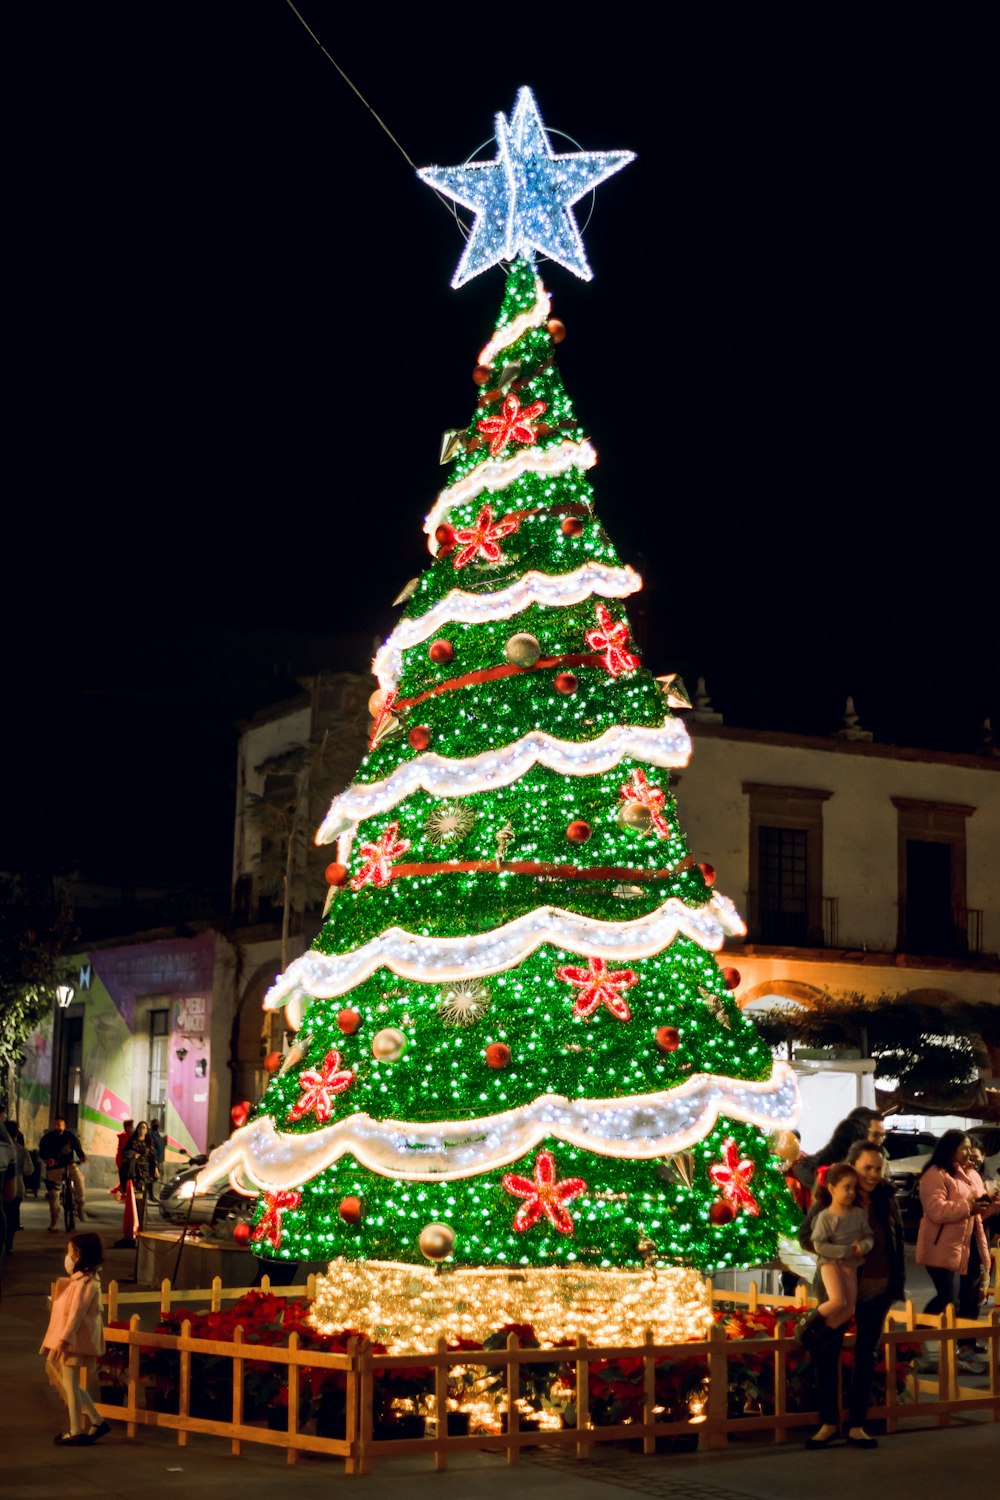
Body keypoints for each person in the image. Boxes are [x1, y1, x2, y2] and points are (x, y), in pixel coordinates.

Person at [802, 1142, 906, 1451]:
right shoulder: (832, 1196)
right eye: (867, 1168)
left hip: (877, 1287)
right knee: (827, 1352)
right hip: (841, 1284)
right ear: (853, 1166)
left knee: (866, 1355)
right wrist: (842, 1253)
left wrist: (894, 1281)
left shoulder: (886, 1197)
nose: (873, 1175)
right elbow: (808, 1237)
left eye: (879, 1168)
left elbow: (895, 1239)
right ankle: (829, 1423)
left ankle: (857, 1425)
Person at [917, 1130, 1000, 1361]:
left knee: (971, 1297)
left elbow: (978, 1212)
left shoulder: (971, 1174)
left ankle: (966, 1345)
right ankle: (915, 1340)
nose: (969, 1152)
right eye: (963, 1147)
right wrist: (969, 1207)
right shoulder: (934, 1174)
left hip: (971, 1242)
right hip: (942, 1245)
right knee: (948, 1296)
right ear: (949, 1149)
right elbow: (936, 1210)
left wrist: (991, 1203)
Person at [39, 1230, 111, 1445]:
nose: (68, 1257)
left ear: (79, 1255)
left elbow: (76, 1315)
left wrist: (64, 1340)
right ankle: (96, 1421)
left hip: (74, 1342)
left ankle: (76, 1430)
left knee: (70, 1387)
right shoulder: (83, 1281)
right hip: (74, 1340)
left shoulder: (86, 1284)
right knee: (72, 1385)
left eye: (70, 1252)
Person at [799, 1164, 873, 1349]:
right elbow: (819, 1245)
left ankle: (823, 1333)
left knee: (849, 1309)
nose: (851, 1192)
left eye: (854, 1188)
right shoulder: (825, 1217)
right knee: (837, 1300)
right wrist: (848, 1250)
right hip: (830, 1263)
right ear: (832, 1188)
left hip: (851, 1264)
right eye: (846, 1187)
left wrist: (863, 1247)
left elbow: (868, 1235)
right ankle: (806, 1327)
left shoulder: (858, 1214)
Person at [38, 1117, 88, 1230]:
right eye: (55, 1125)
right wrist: (47, 1159)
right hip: (54, 1168)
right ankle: (54, 1221)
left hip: (69, 1165)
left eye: (59, 1125)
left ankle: (80, 1205)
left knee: (79, 1179)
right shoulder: (46, 1138)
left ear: (64, 1126)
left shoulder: (70, 1137)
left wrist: (82, 1157)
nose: (57, 1127)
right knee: (54, 1195)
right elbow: (42, 1153)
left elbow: (78, 1149)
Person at [121, 1122, 158, 1225]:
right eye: (141, 1127)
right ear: (137, 1129)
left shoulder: (149, 1141)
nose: (142, 1129)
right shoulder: (132, 1141)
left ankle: (140, 1221)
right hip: (135, 1172)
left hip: (145, 1172)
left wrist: (155, 1169)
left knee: (143, 1197)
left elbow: (152, 1157)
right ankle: (135, 1220)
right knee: (137, 1197)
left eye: (145, 1128)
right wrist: (132, 1155)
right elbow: (124, 1152)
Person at [3, 1118, 29, 1255]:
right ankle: (9, 1246)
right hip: (17, 1187)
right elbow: (28, 1170)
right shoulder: (20, 1149)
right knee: (11, 1217)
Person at [113, 1120, 134, 1199]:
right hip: (123, 1159)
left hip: (126, 1159)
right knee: (124, 1176)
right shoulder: (124, 1136)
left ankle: (123, 1190)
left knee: (126, 1176)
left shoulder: (130, 1135)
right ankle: (124, 1191)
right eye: (130, 1126)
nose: (131, 1128)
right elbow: (123, 1149)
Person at [148, 1119, 166, 1199]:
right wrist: (154, 1156)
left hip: (157, 1159)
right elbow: (152, 1146)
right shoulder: (150, 1133)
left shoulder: (156, 1133)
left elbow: (160, 1145)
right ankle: (150, 1194)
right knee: (152, 1177)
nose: (157, 1125)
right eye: (155, 1123)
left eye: (158, 1123)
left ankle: (149, 1193)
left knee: (155, 1176)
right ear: (152, 1124)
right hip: (153, 1159)